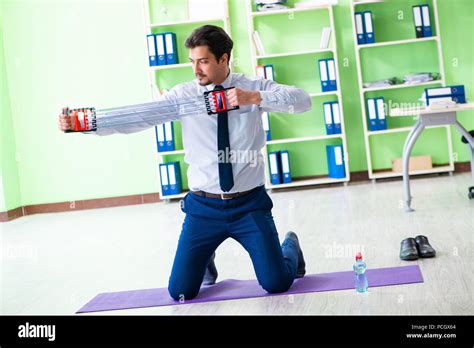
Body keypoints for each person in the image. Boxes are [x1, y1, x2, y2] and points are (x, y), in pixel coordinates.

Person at [58, 25, 311, 301]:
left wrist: (254, 97)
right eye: (193, 62)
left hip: (249, 205)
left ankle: (290, 245)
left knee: (276, 283)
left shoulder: (252, 87)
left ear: (224, 59)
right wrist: (84, 124)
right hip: (204, 209)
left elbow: (303, 101)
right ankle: (205, 257)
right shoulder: (183, 96)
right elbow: (139, 116)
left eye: (203, 61)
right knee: (180, 291)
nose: (196, 69)